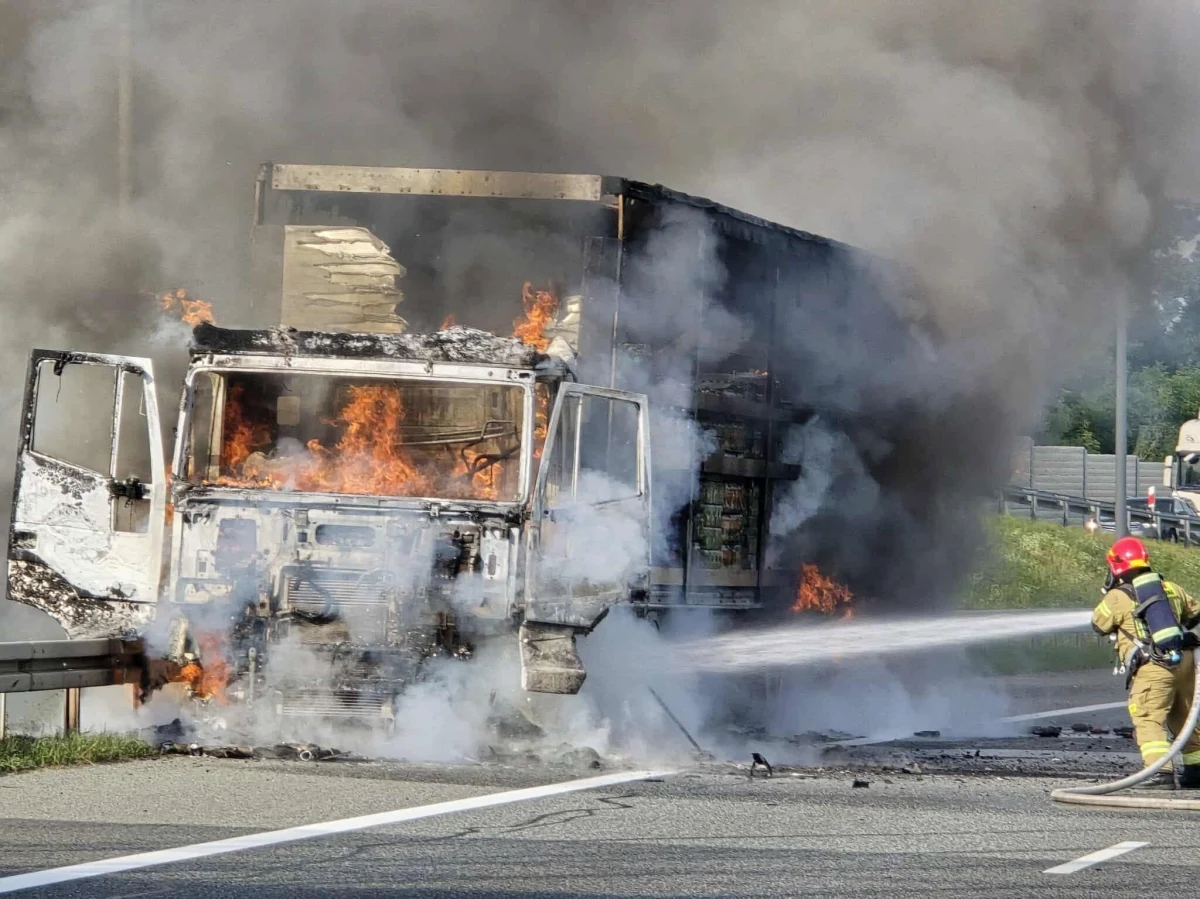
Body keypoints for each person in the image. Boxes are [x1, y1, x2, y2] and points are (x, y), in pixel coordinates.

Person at [1092, 536, 1200, 789]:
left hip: (1154, 665)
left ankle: (1160, 771)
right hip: (1185, 661)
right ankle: (1196, 769)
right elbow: (1194, 614)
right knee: (1185, 716)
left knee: (1147, 716)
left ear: (1117, 566)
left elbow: (1098, 625)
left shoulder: (1118, 596)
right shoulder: (1170, 587)